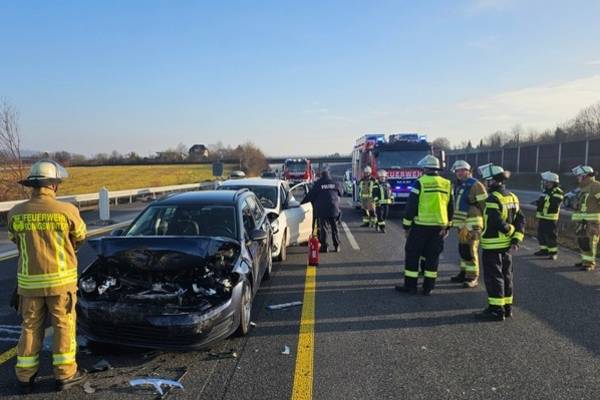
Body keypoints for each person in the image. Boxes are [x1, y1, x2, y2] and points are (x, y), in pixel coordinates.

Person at [8, 160, 87, 392]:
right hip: (60, 284)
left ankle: (25, 376)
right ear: (53, 185)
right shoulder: (67, 210)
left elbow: (15, 239)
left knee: (30, 326)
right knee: (63, 325)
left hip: (29, 284)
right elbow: (80, 236)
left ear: (32, 185)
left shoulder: (16, 212)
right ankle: (65, 374)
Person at [396, 155, 453, 295]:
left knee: (412, 255)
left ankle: (411, 286)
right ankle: (429, 287)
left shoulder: (420, 183)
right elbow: (450, 206)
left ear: (425, 168)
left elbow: (411, 206)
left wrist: (406, 226)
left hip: (420, 226)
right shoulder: (447, 183)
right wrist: (448, 226)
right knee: (433, 257)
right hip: (439, 227)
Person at [475, 163, 525, 321]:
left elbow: (496, 221)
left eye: (486, 180)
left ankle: (496, 310)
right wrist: (516, 238)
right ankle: (507, 307)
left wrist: (509, 231)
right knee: (507, 275)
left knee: (493, 278)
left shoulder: (492, 198)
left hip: (493, 245)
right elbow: (520, 220)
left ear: (493, 181)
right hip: (506, 246)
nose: (485, 183)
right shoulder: (512, 196)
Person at [449, 160, 487, 288]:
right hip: (462, 224)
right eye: (457, 171)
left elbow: (484, 205)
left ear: (468, 171)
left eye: (462, 170)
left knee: (471, 250)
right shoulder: (461, 185)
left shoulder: (476, 185)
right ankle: (464, 273)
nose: (459, 173)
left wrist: (485, 223)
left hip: (473, 223)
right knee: (463, 250)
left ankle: (472, 277)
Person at [302, 169, 343, 253]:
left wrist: (301, 204)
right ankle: (337, 246)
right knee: (334, 227)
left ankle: (324, 247)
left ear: (321, 176)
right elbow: (341, 193)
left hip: (322, 209)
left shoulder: (318, 184)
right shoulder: (335, 183)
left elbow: (310, 196)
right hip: (334, 208)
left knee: (323, 228)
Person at [571, 165, 600, 271]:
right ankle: (585, 260)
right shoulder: (582, 188)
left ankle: (590, 263)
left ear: (585, 176)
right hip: (581, 222)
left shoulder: (596, 186)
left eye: (579, 176)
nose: (577, 178)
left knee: (591, 243)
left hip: (592, 222)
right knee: (582, 242)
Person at [534, 171, 563, 260]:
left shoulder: (558, 191)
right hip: (542, 216)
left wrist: (543, 201)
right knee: (541, 234)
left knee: (551, 236)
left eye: (546, 181)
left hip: (551, 218)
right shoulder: (545, 191)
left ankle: (553, 253)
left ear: (551, 182)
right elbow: (542, 201)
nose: (544, 183)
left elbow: (554, 203)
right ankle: (544, 250)